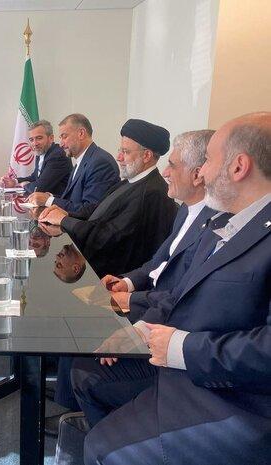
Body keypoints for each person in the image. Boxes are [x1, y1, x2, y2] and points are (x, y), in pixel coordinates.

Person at [63, 112, 271, 465]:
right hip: (187, 376)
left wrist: (181, 347)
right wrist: (141, 331)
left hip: (237, 402)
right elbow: (180, 292)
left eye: (209, 161)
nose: (202, 173)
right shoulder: (222, 223)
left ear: (238, 167)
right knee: (95, 418)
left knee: (102, 449)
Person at [102, 130, 218, 321]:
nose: (165, 173)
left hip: (162, 316)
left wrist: (131, 299)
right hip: (147, 299)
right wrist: (127, 282)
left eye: (172, 165)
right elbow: (159, 261)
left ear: (197, 175)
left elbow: (183, 293)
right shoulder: (185, 209)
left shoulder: (216, 226)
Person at [40, 119, 178, 278]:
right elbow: (99, 214)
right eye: (120, 150)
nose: (118, 157)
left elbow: (106, 238)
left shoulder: (152, 193)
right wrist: (67, 214)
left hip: (114, 277)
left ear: (146, 155)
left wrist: (64, 221)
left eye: (125, 152)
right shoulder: (131, 181)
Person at [27, 114, 119, 216]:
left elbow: (89, 210)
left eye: (64, 136)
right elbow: (72, 199)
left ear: (81, 134)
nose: (61, 144)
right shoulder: (83, 160)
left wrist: (48, 201)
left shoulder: (100, 163)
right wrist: (50, 197)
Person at [1, 120, 72, 196]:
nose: (35, 143)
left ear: (51, 138)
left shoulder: (57, 156)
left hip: (58, 201)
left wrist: (24, 185)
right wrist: (15, 181)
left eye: (39, 138)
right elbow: (35, 177)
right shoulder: (41, 152)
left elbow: (38, 188)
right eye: (31, 140)